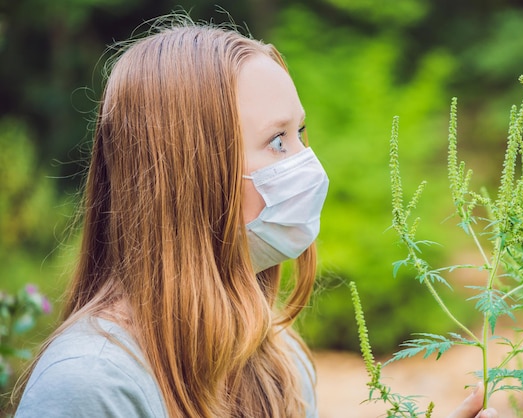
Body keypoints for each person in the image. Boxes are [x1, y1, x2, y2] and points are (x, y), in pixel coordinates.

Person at [13, 15, 498, 418]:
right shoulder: (88, 386)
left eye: (301, 133)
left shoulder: (278, 363)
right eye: (278, 141)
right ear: (190, 177)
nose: (308, 164)